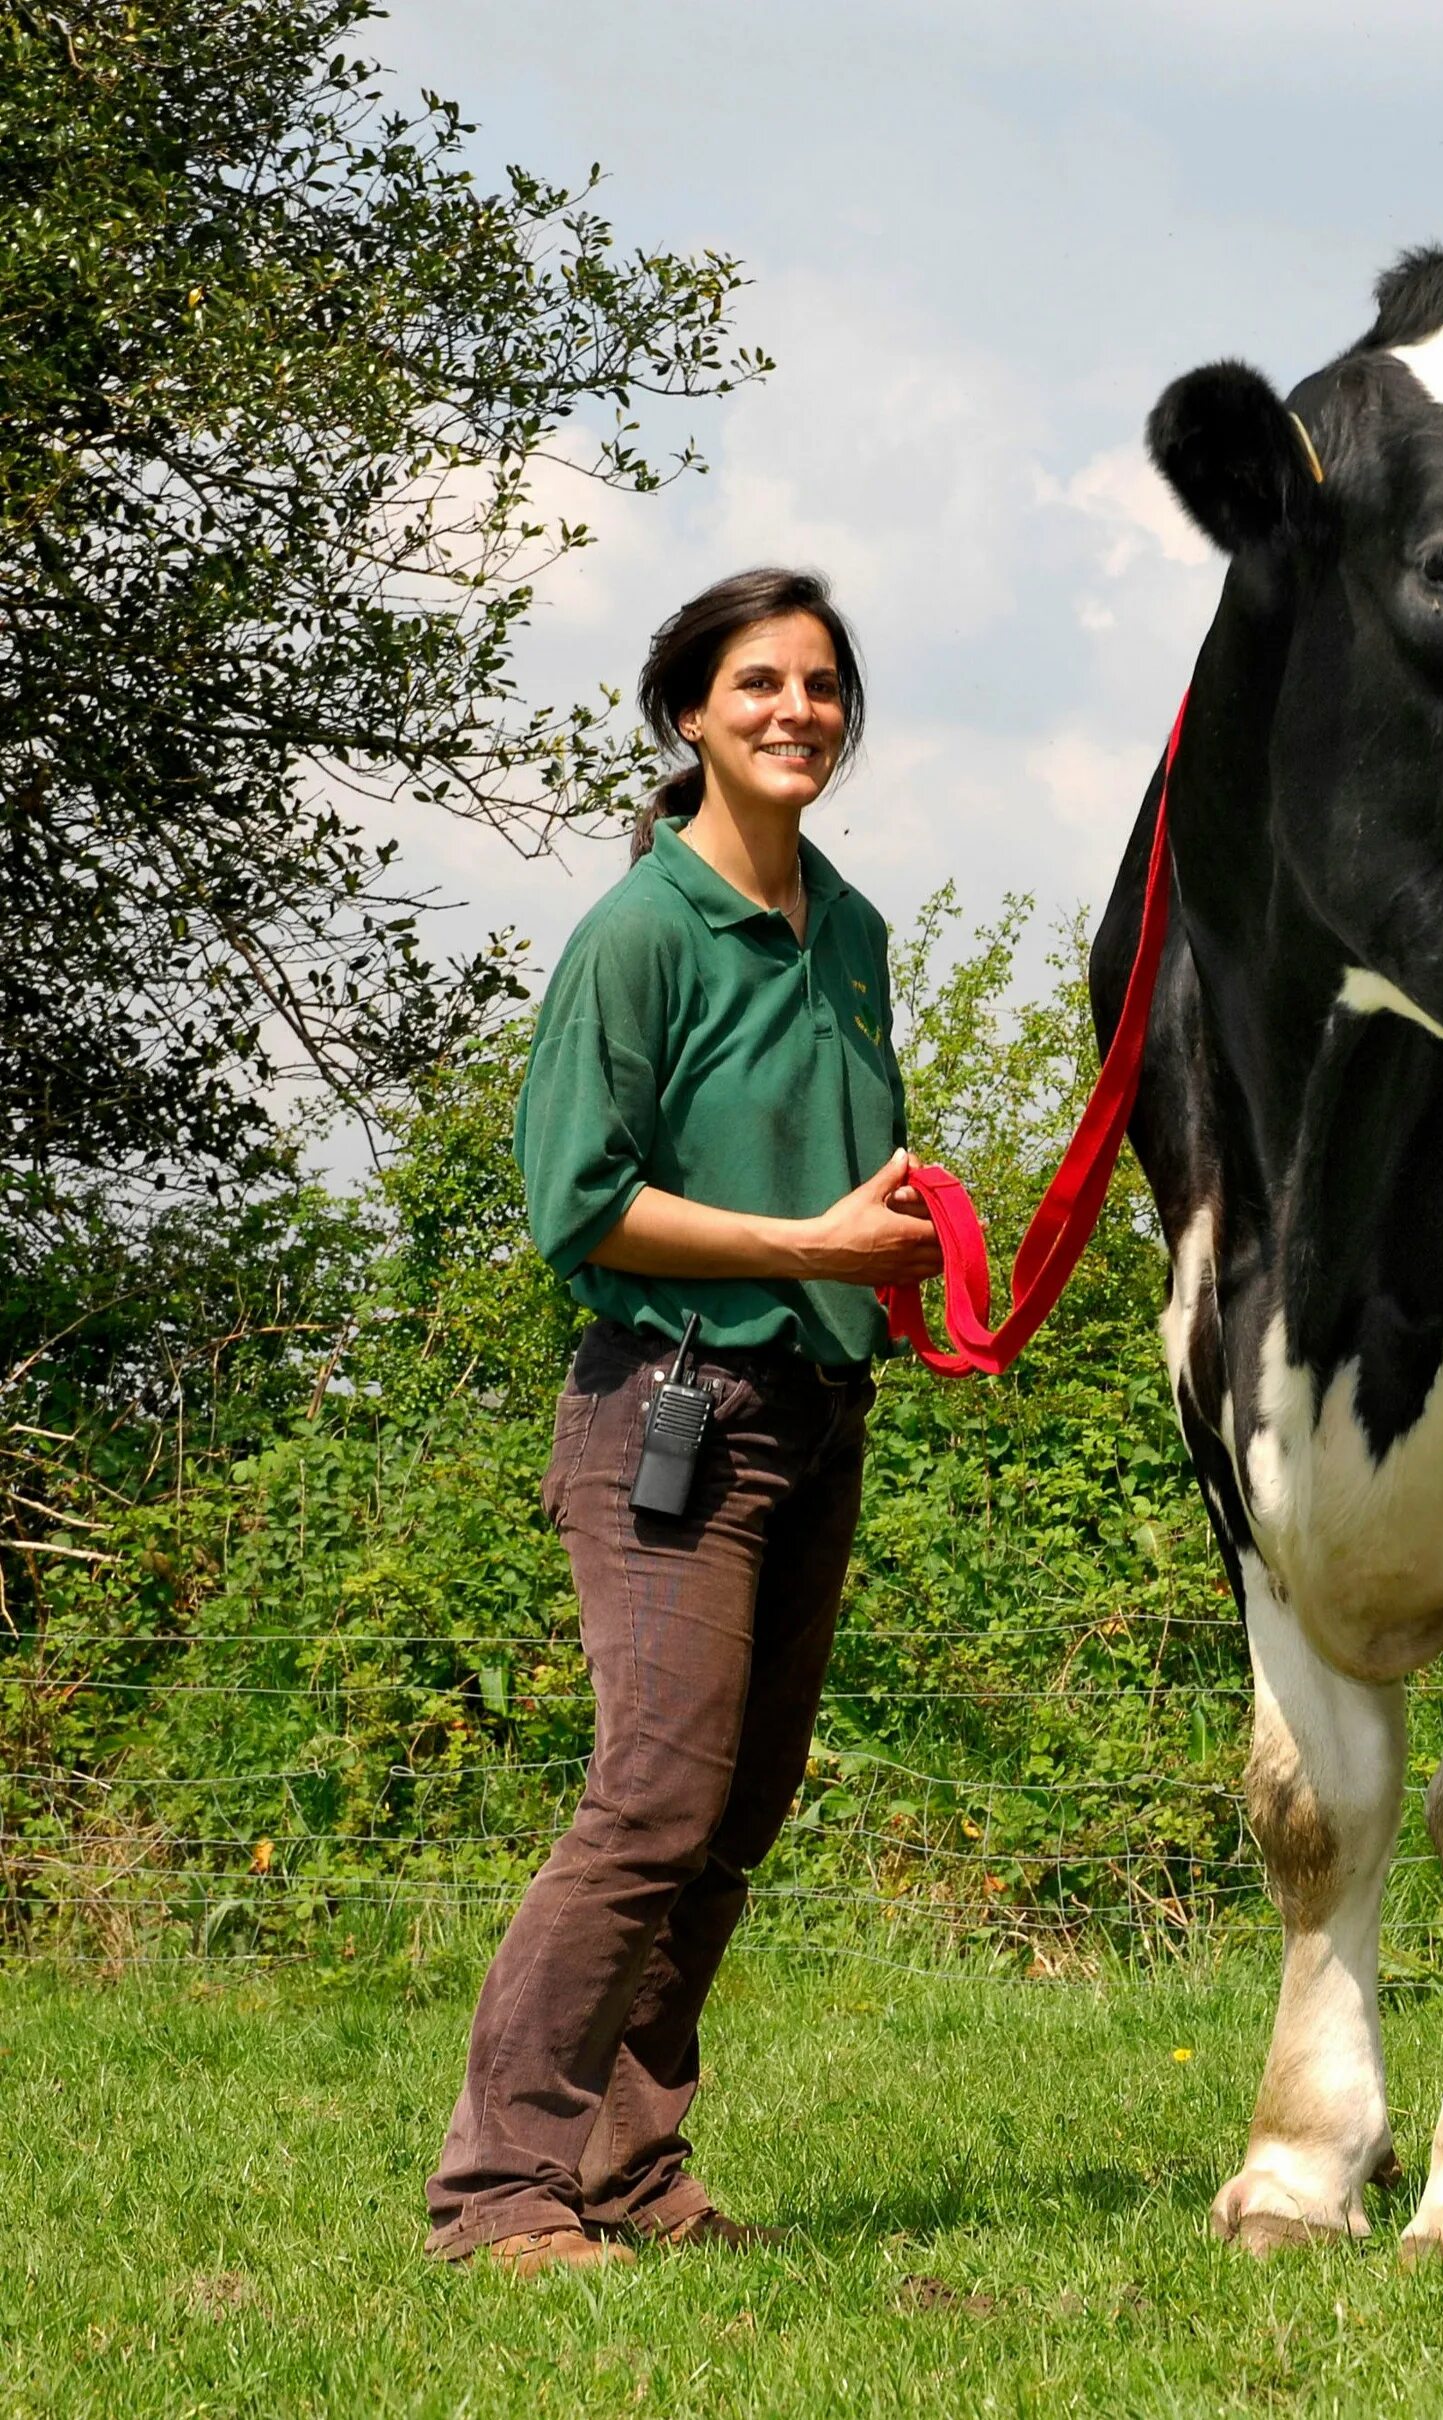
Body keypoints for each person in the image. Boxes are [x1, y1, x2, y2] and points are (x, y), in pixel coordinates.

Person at [423, 568, 939, 2276]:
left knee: (736, 1810)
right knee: (649, 1801)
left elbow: (834, 1175)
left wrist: (896, 1245)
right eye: (760, 684)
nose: (799, 711)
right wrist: (806, 1246)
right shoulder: (639, 937)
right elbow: (578, 1206)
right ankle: (498, 2190)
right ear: (691, 716)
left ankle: (634, 2172)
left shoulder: (848, 932)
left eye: (823, 686)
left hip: (817, 1409)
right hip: (670, 1408)